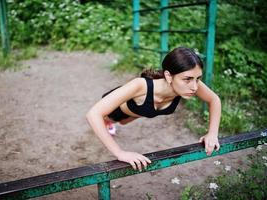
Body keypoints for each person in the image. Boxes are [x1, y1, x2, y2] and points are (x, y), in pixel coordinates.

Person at [86, 47, 221, 172]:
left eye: (198, 79)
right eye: (188, 79)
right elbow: (93, 114)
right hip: (117, 111)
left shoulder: (189, 83)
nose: (195, 87)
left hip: (141, 112)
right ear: (168, 76)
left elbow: (214, 99)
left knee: (124, 122)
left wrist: (212, 133)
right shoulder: (140, 86)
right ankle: (108, 122)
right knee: (112, 120)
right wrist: (120, 153)